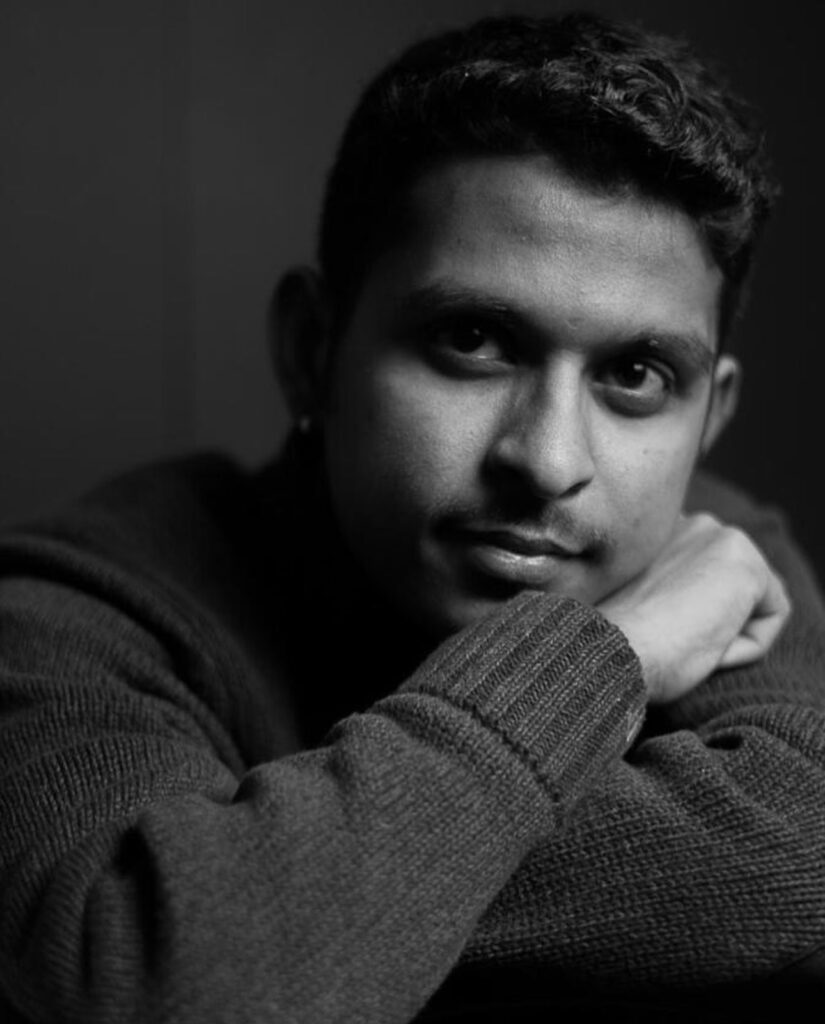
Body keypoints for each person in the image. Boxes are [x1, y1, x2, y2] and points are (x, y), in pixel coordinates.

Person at [1, 10, 824, 1023]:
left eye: (637, 374)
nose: (549, 462)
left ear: (709, 420)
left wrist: (301, 907)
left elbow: (809, 843)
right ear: (313, 350)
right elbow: (172, 980)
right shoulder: (74, 610)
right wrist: (603, 654)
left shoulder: (716, 556)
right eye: (472, 338)